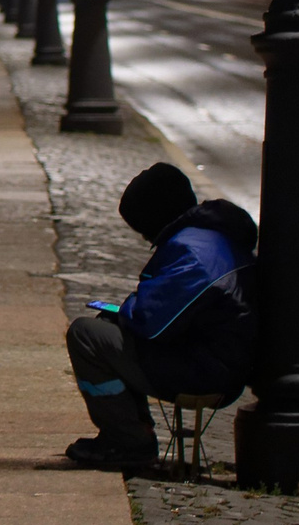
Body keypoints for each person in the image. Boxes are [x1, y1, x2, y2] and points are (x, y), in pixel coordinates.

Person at [65, 161, 258, 470]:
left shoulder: (190, 253)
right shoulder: (213, 237)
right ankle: (132, 431)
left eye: (142, 229)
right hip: (221, 357)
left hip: (208, 369)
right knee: (108, 329)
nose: (145, 239)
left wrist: (125, 308)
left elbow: (149, 322)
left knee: (86, 335)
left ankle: (128, 440)